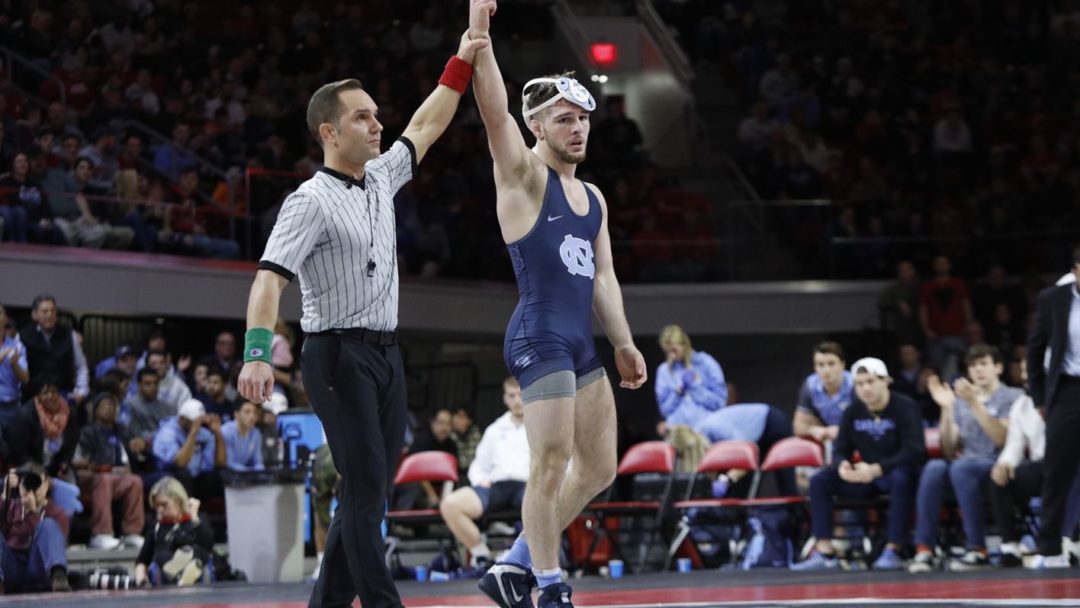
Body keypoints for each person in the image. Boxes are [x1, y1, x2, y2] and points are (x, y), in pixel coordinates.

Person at [236, 30, 491, 608]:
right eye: (362, 117)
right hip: (336, 355)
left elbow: (427, 124)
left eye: (377, 115)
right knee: (367, 489)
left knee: (368, 494)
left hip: (387, 355)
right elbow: (268, 280)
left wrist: (466, 54)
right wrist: (256, 354)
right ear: (329, 132)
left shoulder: (381, 176)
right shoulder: (308, 200)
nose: (378, 125)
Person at [467, 2, 648, 606]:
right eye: (565, 119)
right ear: (538, 127)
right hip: (538, 334)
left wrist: (622, 341)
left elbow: (604, 277)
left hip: (581, 341)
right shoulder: (522, 178)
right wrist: (482, 39)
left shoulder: (592, 196)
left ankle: (511, 566)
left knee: (598, 469)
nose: (579, 128)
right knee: (549, 464)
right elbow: (496, 116)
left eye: (584, 118)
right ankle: (548, 585)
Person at [790, 358, 924, 571]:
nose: (865, 389)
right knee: (820, 480)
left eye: (870, 382)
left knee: (902, 477)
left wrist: (878, 469)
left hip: (895, 472)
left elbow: (915, 450)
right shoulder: (853, 411)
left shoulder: (905, 406)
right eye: (859, 384)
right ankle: (824, 551)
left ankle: (894, 548)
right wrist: (843, 466)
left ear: (885, 381)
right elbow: (841, 448)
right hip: (865, 475)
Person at [908, 345, 1023, 572]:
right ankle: (925, 550)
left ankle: (977, 549)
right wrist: (947, 409)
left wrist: (974, 403)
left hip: (998, 463)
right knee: (933, 467)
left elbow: (1001, 438)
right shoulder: (960, 401)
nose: (978, 370)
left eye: (983, 364)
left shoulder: (1013, 397)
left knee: (962, 468)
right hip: (965, 466)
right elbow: (949, 448)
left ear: (998, 367)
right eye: (972, 366)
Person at [1026, 246, 1080, 568]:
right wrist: (1039, 398)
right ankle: (1048, 548)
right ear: (1076, 269)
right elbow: (1034, 350)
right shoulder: (1053, 299)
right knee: (1057, 470)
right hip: (1068, 390)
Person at [439, 377, 529, 570]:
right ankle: (482, 555)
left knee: (545, 504)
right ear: (505, 398)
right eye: (511, 395)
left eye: (521, 394)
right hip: (497, 486)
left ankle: (537, 562)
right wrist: (480, 479)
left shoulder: (543, 424)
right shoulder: (495, 430)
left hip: (530, 486)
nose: (517, 400)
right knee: (450, 505)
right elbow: (478, 466)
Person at [72, 393, 145, 550]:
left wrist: (138, 448)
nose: (109, 408)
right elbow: (77, 461)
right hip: (91, 477)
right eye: (104, 405)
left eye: (112, 405)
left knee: (135, 481)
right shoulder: (87, 431)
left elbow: (130, 459)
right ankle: (101, 534)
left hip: (116, 476)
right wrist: (95, 465)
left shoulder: (122, 431)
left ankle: (132, 532)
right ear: (96, 410)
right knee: (104, 479)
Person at [0, 463, 70, 593]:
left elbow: (57, 547)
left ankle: (59, 578)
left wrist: (33, 513)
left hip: (39, 567)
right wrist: (5, 495)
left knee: (48, 525)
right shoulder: (10, 506)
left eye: (37, 483)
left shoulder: (58, 513)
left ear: (46, 485)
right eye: (28, 483)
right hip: (12, 567)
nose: (33, 488)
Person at [133, 476, 214, 587]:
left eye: (164, 505)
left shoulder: (197, 519)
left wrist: (194, 518)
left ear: (178, 500)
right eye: (157, 506)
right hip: (164, 569)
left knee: (199, 554)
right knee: (161, 556)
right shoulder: (156, 526)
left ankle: (182, 576)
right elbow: (142, 559)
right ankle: (179, 577)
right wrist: (140, 578)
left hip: (195, 566)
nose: (160, 510)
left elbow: (208, 545)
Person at [654, 324, 727, 431]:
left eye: (674, 350)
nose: (672, 356)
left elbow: (720, 403)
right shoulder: (664, 371)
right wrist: (678, 392)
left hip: (705, 432)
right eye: (667, 352)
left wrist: (696, 388)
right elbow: (664, 410)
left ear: (684, 345)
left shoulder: (706, 363)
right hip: (677, 434)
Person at [793, 342, 854, 443]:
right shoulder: (810, 386)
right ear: (815, 368)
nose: (826, 370)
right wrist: (813, 430)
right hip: (827, 438)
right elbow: (798, 426)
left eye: (831, 364)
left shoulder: (857, 384)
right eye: (820, 365)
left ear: (843, 364)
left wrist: (843, 430)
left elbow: (867, 420)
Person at [220, 401, 264, 472]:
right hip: (226, 475)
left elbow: (258, 462)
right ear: (236, 414)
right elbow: (229, 463)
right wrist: (250, 472)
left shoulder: (256, 434)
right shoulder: (226, 432)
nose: (252, 416)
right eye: (247, 412)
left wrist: (260, 471)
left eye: (255, 413)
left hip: (245, 475)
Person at [0, 303, 28, 412]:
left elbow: (25, 378)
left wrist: (14, 364)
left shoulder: (17, 345)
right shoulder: (8, 350)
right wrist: (2, 355)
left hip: (11, 406)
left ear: (6, 319)